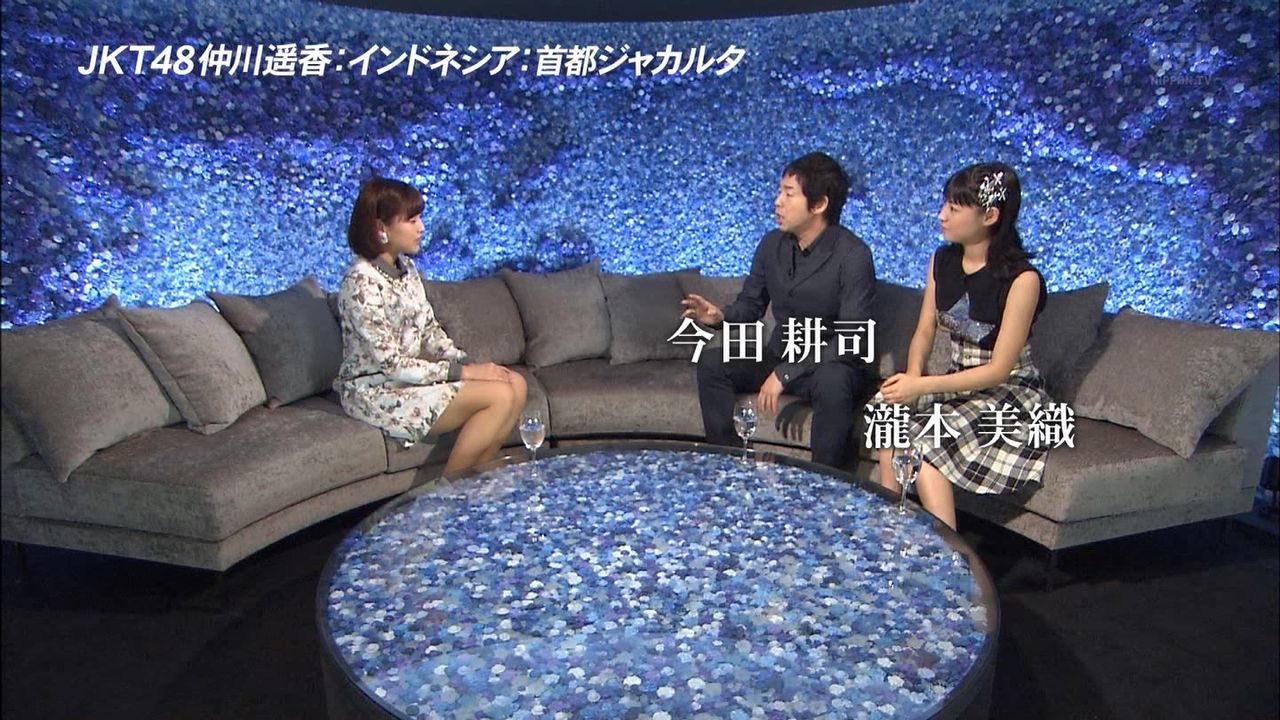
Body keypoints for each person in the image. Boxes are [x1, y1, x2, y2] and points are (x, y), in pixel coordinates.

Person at [872, 162, 1051, 530]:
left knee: (923, 441)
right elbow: (925, 330)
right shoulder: (942, 260)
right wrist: (912, 378)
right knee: (886, 412)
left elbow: (998, 370)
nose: (942, 216)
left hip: (1006, 391)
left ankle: (949, 549)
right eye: (945, 205)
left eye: (954, 209)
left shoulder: (1023, 280)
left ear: (990, 216)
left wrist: (921, 387)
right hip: (956, 379)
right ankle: (891, 527)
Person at [681, 151, 877, 469]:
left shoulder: (853, 255)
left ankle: (825, 483)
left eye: (788, 194)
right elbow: (751, 304)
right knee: (713, 363)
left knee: (834, 381)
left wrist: (785, 373)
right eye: (779, 192)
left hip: (830, 363)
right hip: (781, 354)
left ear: (819, 204)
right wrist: (721, 317)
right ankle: (728, 466)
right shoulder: (772, 244)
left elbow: (852, 338)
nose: (777, 202)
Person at [334, 177, 527, 475]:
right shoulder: (360, 283)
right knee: (499, 396)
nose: (421, 228)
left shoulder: (407, 270)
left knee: (516, 384)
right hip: (376, 389)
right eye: (411, 220)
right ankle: (447, 493)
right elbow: (391, 364)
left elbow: (429, 331)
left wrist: (464, 362)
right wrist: (464, 374)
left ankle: (475, 482)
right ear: (381, 228)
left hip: (408, 380)